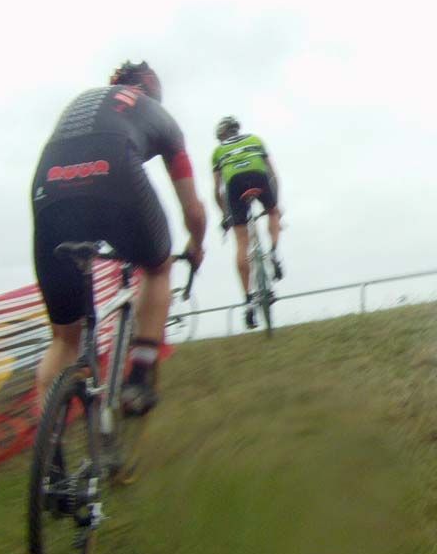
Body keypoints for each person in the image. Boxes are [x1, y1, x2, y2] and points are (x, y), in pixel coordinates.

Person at [31, 61, 206, 417]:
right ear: (154, 92)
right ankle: (139, 378)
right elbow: (192, 207)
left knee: (65, 339)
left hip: (48, 187)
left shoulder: (84, 100)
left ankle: (50, 461)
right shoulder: (161, 116)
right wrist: (196, 244)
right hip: (114, 174)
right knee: (158, 267)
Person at [211, 116, 283, 329]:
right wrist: (274, 207)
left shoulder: (218, 151)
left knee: (242, 241)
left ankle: (248, 300)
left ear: (222, 135)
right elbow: (273, 174)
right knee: (273, 213)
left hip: (234, 185)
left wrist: (225, 216)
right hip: (258, 177)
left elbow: (217, 190)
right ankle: (274, 253)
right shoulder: (255, 140)